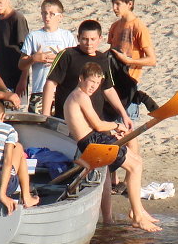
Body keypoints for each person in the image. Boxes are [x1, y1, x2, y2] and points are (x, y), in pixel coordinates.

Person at [64, 62, 160, 232]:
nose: (94, 87)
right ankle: (137, 215)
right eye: (91, 82)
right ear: (81, 79)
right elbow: (98, 125)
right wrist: (116, 126)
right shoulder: (80, 96)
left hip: (92, 139)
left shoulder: (76, 96)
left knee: (123, 167)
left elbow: (90, 126)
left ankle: (126, 216)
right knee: (135, 165)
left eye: (97, 84)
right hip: (92, 141)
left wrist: (110, 133)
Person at [40, 19, 131, 128]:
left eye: (93, 39)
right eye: (84, 39)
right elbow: (50, 84)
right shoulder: (67, 55)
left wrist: (124, 115)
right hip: (68, 120)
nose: (89, 43)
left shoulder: (102, 59)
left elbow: (108, 89)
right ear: (78, 38)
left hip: (95, 121)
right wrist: (46, 116)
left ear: (100, 39)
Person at [18, 0, 77, 114]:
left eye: (51, 14)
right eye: (44, 13)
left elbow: (74, 61)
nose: (47, 17)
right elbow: (21, 64)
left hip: (61, 90)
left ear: (60, 17)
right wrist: (33, 58)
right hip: (39, 90)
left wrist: (59, 59)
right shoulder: (34, 36)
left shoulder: (67, 36)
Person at [107, 0, 159, 115]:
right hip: (114, 83)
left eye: (118, 4)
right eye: (113, 4)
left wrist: (129, 61)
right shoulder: (114, 26)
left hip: (130, 82)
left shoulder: (138, 27)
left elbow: (152, 60)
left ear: (129, 4)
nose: (114, 8)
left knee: (128, 126)